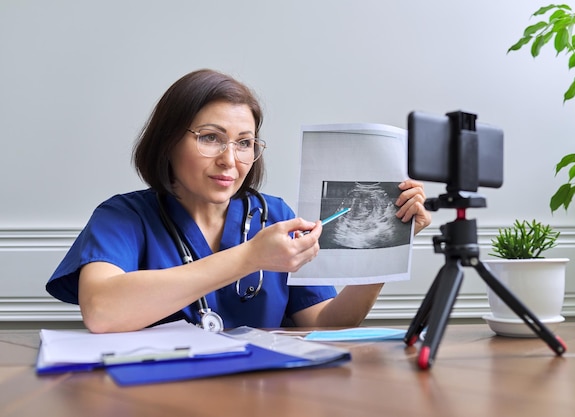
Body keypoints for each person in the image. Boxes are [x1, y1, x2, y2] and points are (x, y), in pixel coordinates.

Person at [46, 69, 432, 333]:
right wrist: (250, 258)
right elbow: (101, 311)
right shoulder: (124, 217)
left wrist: (387, 244)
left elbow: (326, 322)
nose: (230, 160)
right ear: (168, 141)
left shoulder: (275, 215)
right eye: (210, 137)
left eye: (245, 143)